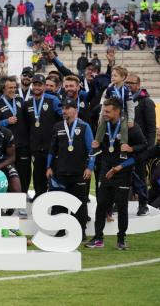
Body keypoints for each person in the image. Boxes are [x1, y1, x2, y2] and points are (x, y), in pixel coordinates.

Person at [85, 98, 147, 250]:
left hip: (123, 171)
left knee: (121, 205)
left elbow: (144, 146)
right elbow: (101, 149)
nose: (104, 114)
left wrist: (131, 149)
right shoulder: (103, 126)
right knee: (101, 205)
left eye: (107, 111)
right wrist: (96, 147)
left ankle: (121, 239)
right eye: (103, 111)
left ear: (117, 111)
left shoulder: (131, 128)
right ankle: (98, 238)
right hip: (106, 170)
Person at [46, 99, 95, 240]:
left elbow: (91, 149)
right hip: (60, 172)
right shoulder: (57, 126)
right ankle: (61, 230)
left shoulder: (84, 127)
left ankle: (81, 231)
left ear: (75, 110)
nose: (64, 111)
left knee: (79, 203)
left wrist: (89, 167)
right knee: (60, 202)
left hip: (79, 172)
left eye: (67, 108)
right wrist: (48, 167)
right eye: (63, 108)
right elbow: (52, 149)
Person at [23, 74, 62, 199]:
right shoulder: (27, 103)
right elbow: (26, 125)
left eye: (40, 85)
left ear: (44, 86)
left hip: (51, 144)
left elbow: (62, 118)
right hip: (35, 145)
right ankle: (39, 196)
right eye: (35, 85)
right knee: (38, 172)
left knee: (53, 171)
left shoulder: (53, 100)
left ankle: (53, 199)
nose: (37, 87)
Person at [0, 76, 31, 197]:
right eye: (10, 87)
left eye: (14, 87)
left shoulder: (20, 100)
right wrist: (5, 122)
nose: (13, 90)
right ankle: (7, 197)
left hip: (22, 144)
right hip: (6, 146)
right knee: (8, 172)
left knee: (24, 172)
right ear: (3, 88)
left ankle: (23, 196)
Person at [126, 73, 156, 216]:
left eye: (131, 83)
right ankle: (120, 203)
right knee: (123, 176)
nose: (128, 85)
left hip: (141, 147)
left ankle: (143, 204)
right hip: (125, 145)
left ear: (138, 85)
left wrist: (148, 150)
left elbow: (151, 128)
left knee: (139, 176)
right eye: (127, 83)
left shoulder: (146, 102)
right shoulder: (124, 100)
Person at [92, 66, 135, 156]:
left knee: (124, 127)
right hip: (109, 113)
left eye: (115, 76)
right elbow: (104, 104)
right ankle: (97, 146)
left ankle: (123, 148)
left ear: (123, 77)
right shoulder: (109, 89)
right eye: (112, 75)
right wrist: (101, 116)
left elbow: (131, 106)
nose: (112, 77)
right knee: (101, 124)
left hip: (123, 112)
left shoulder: (127, 90)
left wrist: (131, 119)